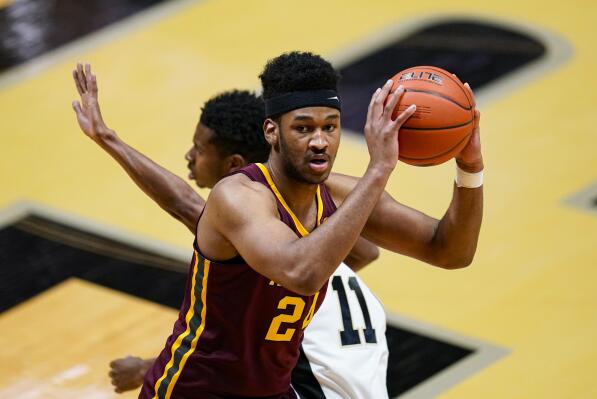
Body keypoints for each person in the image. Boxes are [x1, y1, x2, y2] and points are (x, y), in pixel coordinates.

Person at [72, 48, 483, 399]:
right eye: (303, 128)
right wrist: (378, 170)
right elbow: (300, 272)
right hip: (196, 389)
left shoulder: (342, 196)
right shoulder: (237, 196)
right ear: (272, 131)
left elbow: (450, 251)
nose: (320, 141)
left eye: (330, 128)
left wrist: (470, 167)